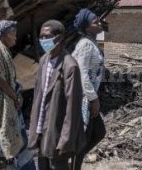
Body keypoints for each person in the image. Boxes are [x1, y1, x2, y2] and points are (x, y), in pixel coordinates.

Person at [0, 20, 36, 170]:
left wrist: (18, 95)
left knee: (15, 138)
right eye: (12, 34)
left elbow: (10, 80)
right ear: (3, 35)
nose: (15, 38)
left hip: (7, 100)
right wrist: (14, 97)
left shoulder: (4, 50)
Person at [28, 20, 85, 170]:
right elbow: (37, 98)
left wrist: (66, 139)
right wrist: (34, 129)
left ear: (59, 38)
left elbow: (73, 107)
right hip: (42, 130)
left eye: (46, 37)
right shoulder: (43, 61)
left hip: (58, 133)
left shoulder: (69, 66)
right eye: (41, 37)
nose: (43, 40)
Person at [71, 9, 106, 170]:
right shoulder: (85, 44)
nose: (99, 24)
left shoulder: (90, 42)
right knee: (87, 136)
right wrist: (93, 98)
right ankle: (73, 163)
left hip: (89, 96)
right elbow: (82, 73)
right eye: (95, 22)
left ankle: (74, 161)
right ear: (86, 26)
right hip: (85, 98)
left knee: (98, 133)